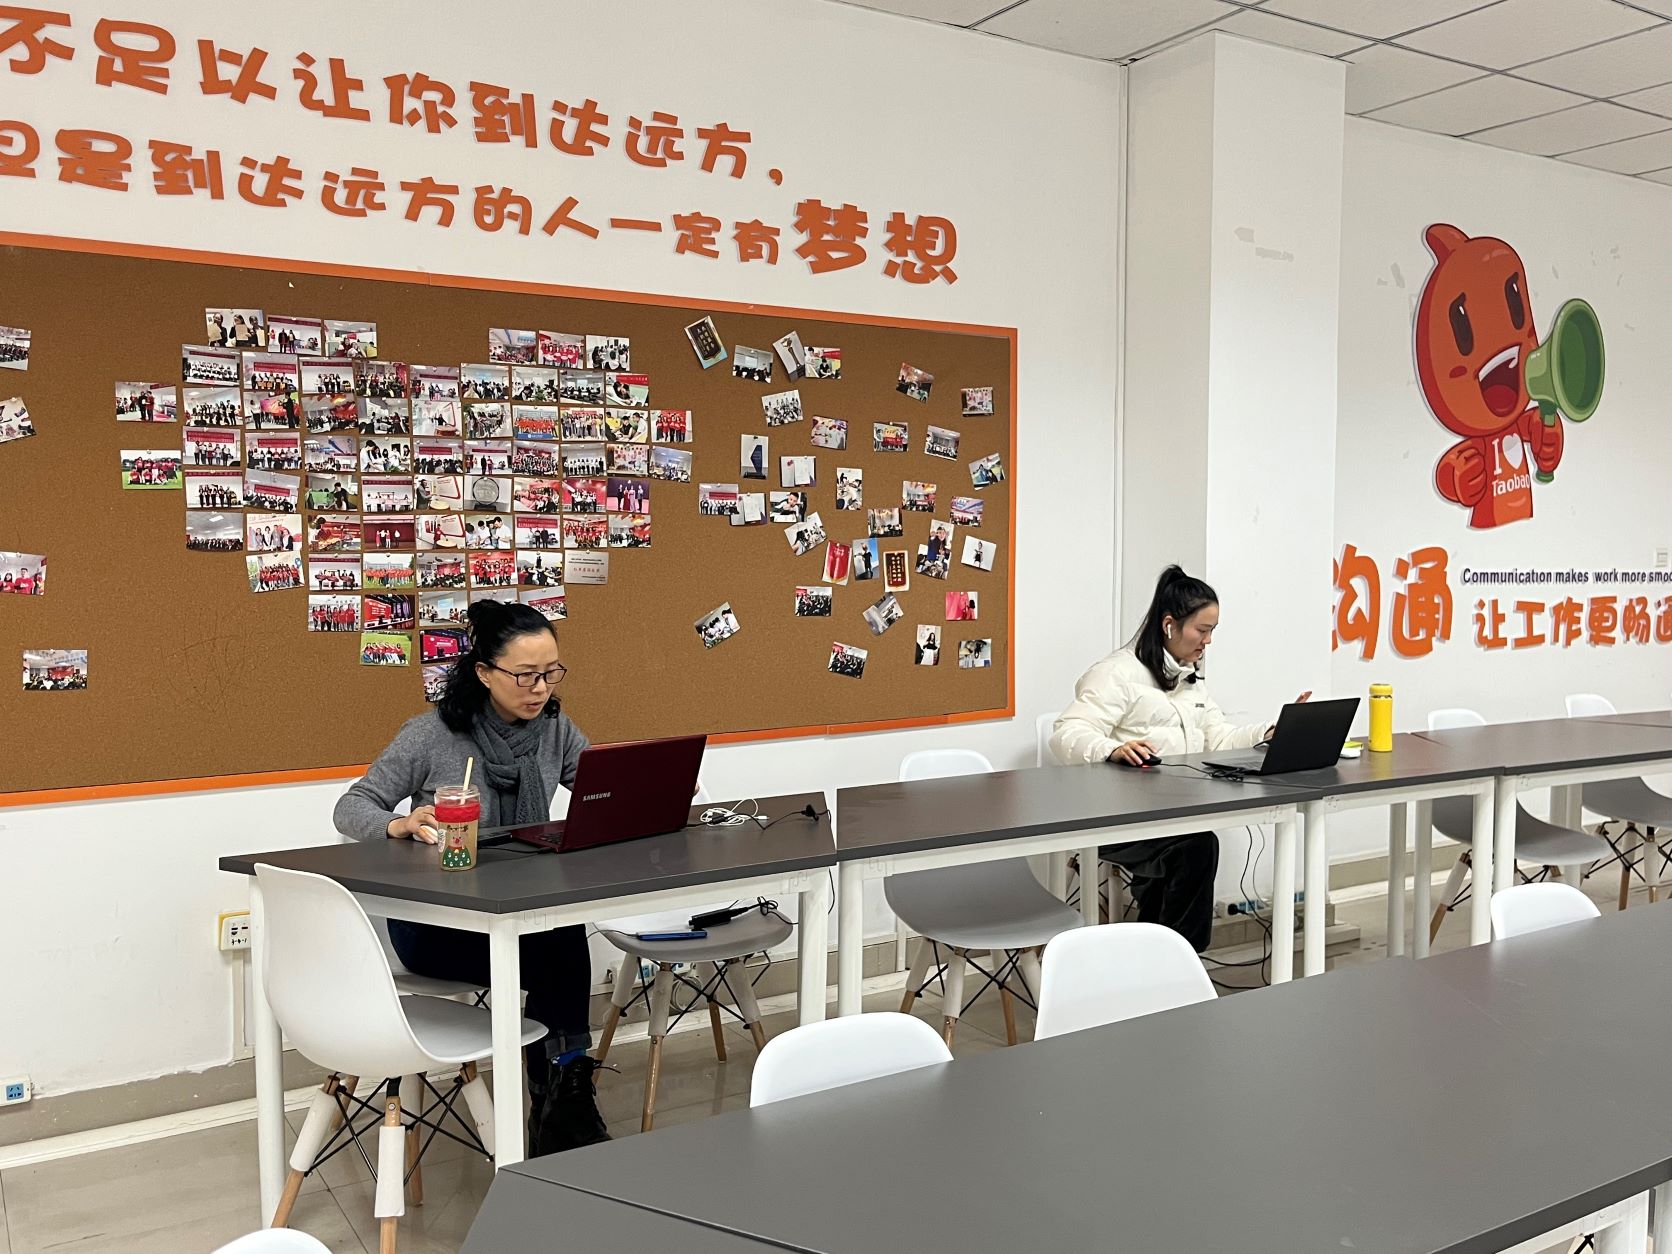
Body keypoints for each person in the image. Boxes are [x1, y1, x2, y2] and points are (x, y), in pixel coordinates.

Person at [333, 601, 606, 1154]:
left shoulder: (554, 729)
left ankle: (561, 1095)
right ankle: (563, 1094)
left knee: (557, 936)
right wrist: (398, 824)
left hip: (517, 910)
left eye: (551, 673)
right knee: (558, 951)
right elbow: (351, 806)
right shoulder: (431, 735)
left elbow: (599, 786)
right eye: (525, 675)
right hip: (436, 923)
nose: (540, 689)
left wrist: (639, 793)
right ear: (483, 672)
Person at [1049, 566, 1307, 953]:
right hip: (1118, 818)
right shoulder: (1116, 673)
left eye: (1213, 631)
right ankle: (1180, 959)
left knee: (1186, 850)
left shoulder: (1190, 679)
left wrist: (1269, 733)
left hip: (1172, 813)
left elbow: (1218, 738)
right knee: (1196, 848)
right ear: (1169, 624)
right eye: (1202, 630)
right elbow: (1066, 733)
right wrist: (1110, 749)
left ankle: (1160, 962)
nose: (1208, 641)